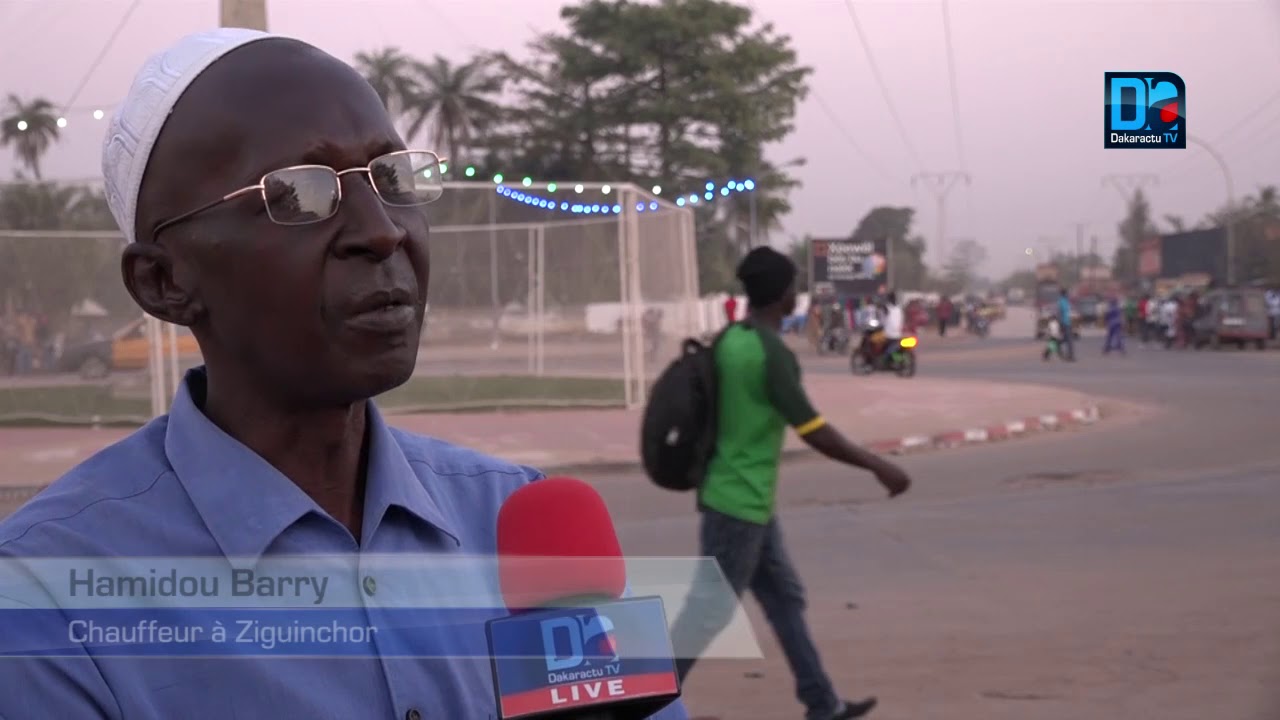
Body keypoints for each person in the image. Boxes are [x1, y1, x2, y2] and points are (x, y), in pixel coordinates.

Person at [0, 29, 689, 720]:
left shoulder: (519, 521)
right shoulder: (48, 600)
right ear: (163, 280)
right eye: (299, 194)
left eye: (392, 177)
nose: (383, 230)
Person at [669, 246, 912, 720]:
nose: (797, 293)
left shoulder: (730, 339)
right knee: (708, 613)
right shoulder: (769, 352)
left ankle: (823, 703)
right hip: (738, 503)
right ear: (783, 296)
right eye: (794, 285)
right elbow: (812, 429)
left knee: (784, 599)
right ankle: (632, 703)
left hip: (743, 499)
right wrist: (878, 466)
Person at [879, 291, 904, 359]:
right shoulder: (899, 308)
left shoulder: (886, 308)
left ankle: (884, 357)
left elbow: (882, 321)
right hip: (898, 334)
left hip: (888, 334)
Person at [1057, 287, 1075, 361]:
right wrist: (1060, 323)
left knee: (1065, 339)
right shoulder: (1061, 301)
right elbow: (1060, 313)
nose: (1068, 294)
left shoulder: (1066, 301)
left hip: (1068, 322)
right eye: (1067, 293)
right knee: (1069, 341)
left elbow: (1068, 312)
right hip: (1064, 323)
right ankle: (1070, 356)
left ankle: (1059, 348)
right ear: (1064, 294)